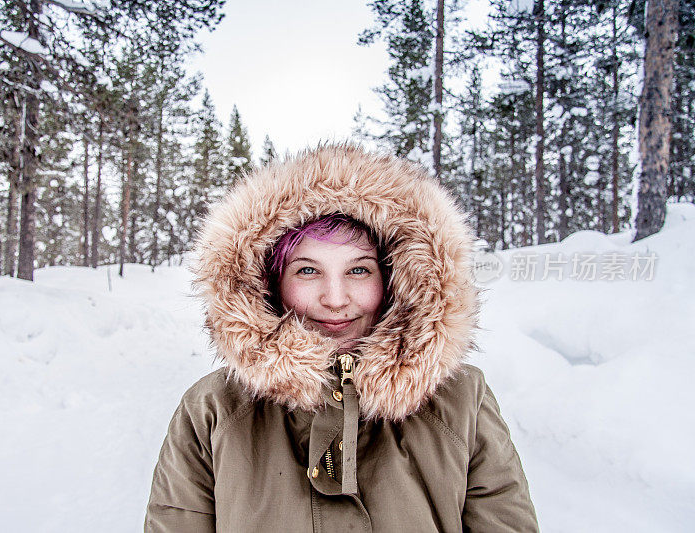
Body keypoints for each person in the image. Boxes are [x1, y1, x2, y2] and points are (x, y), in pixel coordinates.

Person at [144, 145, 539, 532]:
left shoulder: (462, 402)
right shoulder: (212, 411)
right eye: (308, 271)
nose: (335, 300)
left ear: (396, 280)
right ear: (268, 282)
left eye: (359, 271)